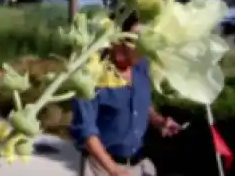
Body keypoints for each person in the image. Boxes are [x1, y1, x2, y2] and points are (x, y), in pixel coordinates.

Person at [69, 13, 183, 176]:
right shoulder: (91, 74)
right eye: (129, 40)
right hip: (102, 167)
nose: (134, 48)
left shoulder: (141, 67)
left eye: (141, 42)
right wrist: (113, 169)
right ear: (113, 39)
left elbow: (142, 104)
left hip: (139, 164)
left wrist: (159, 121)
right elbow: (86, 130)